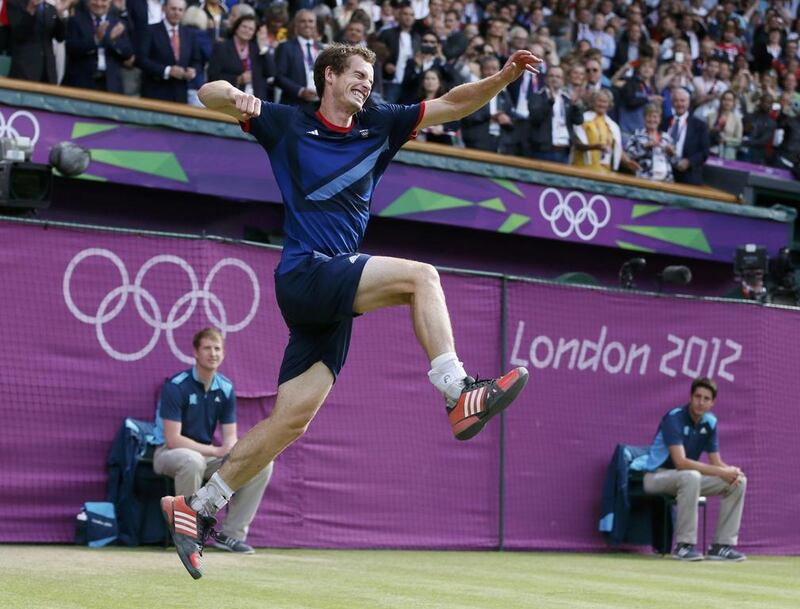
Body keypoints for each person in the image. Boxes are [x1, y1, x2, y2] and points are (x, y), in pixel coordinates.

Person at [161, 42, 535, 579]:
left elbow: (454, 103)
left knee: (291, 421)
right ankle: (457, 390)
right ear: (329, 77)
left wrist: (502, 77)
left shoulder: (381, 123)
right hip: (307, 273)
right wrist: (240, 99)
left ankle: (197, 506)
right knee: (420, 278)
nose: (367, 83)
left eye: (372, 75)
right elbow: (207, 94)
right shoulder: (287, 123)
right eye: (358, 74)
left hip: (328, 298)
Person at [154, 327, 273, 555]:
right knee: (192, 461)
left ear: (223, 353)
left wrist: (233, 453)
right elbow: (173, 438)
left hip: (206, 455)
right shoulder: (176, 386)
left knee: (262, 464)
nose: (213, 353)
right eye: (207, 348)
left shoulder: (225, 388)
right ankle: (187, 535)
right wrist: (216, 450)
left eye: (217, 348)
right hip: (168, 452)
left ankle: (231, 535)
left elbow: (230, 439)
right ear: (196, 353)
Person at [633, 377, 747, 562]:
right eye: (697, 396)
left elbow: (716, 461)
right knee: (691, 475)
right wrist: (721, 472)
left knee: (738, 482)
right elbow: (681, 462)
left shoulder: (710, 422)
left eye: (706, 399)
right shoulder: (674, 418)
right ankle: (684, 546)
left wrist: (730, 471)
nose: (700, 402)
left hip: (686, 479)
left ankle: (721, 546)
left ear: (712, 402)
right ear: (690, 397)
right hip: (655, 477)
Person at [138, 0, 203, 103]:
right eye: (173, 9)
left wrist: (193, 71)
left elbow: (197, 61)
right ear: (163, 8)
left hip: (180, 96)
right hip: (154, 94)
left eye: (180, 10)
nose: (176, 12)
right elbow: (142, 60)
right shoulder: (150, 31)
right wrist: (168, 70)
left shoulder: (189, 35)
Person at [64, 0, 135, 94]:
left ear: (110, 2)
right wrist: (96, 40)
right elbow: (71, 48)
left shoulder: (118, 24)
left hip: (111, 84)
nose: (99, 4)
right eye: (95, 0)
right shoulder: (76, 21)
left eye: (104, 0)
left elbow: (128, 54)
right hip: (82, 83)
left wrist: (113, 41)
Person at [207, 13, 274, 100]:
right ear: (237, 27)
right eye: (244, 27)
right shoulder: (221, 47)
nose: (247, 30)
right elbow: (212, 76)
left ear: (254, 33)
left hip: (254, 101)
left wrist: (263, 48)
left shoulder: (257, 49)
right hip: (229, 99)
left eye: (251, 29)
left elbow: (271, 73)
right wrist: (238, 79)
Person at [7, 0, 68, 84]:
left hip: (48, 72)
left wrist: (60, 15)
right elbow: (19, 36)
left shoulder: (50, 7)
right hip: (25, 71)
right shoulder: (15, 3)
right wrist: (30, 10)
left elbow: (60, 37)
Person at [274, 9, 322, 105]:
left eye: (310, 21)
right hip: (293, 105)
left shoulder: (322, 49)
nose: (307, 24)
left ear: (315, 25)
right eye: (303, 21)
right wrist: (300, 91)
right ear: (296, 24)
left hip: (317, 106)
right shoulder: (285, 47)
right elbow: (278, 76)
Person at [665, 87, 710, 185]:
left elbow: (704, 152)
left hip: (688, 175)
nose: (679, 104)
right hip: (665, 171)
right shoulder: (664, 122)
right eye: (676, 101)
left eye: (682, 101)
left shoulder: (699, 125)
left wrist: (689, 162)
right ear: (672, 103)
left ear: (688, 102)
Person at [571, 88, 623, 174]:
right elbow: (576, 144)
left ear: (609, 104)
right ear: (593, 102)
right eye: (599, 101)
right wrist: (594, 147)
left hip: (604, 172)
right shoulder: (583, 119)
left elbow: (617, 149)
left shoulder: (613, 126)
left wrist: (628, 162)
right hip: (582, 169)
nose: (602, 104)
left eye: (605, 102)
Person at [624, 103, 677, 182]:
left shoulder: (667, 138)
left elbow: (676, 162)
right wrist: (644, 147)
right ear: (644, 118)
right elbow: (629, 155)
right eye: (649, 116)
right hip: (643, 179)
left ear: (659, 120)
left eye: (655, 117)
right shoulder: (637, 135)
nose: (652, 120)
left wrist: (672, 154)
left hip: (666, 181)